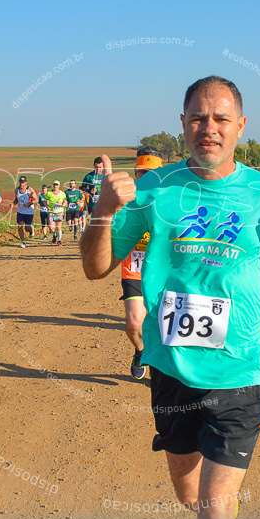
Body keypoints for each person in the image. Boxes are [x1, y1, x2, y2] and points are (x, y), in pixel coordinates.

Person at [80, 76, 260, 519]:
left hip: (241, 369)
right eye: (199, 118)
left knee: (216, 512)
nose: (209, 128)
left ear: (240, 126)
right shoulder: (154, 188)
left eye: (221, 118)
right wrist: (103, 208)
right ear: (182, 124)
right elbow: (96, 267)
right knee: (190, 495)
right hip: (172, 367)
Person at [119, 147, 164, 379]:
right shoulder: (125, 200)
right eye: (141, 172)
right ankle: (140, 350)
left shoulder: (172, 199)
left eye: (152, 173)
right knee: (134, 324)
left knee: (168, 329)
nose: (146, 177)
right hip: (134, 271)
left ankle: (165, 373)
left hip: (165, 273)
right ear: (136, 174)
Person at [12, 175, 36, 248]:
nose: (21, 184)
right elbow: (16, 199)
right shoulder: (17, 190)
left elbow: (36, 200)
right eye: (20, 182)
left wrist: (29, 203)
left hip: (29, 212)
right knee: (20, 226)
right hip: (20, 211)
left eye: (23, 182)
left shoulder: (30, 190)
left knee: (27, 228)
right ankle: (23, 241)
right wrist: (13, 203)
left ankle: (31, 230)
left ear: (26, 182)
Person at [82, 157, 104, 226]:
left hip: (104, 204)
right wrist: (89, 191)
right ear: (93, 166)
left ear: (103, 167)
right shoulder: (89, 176)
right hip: (93, 204)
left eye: (100, 167)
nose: (98, 169)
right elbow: (82, 187)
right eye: (96, 167)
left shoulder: (106, 175)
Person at [45, 180, 67, 245]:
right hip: (52, 212)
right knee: (51, 227)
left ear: (59, 186)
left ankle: (59, 240)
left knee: (58, 227)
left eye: (57, 185)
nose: (55, 186)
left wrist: (62, 204)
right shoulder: (49, 193)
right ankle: (54, 235)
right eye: (54, 184)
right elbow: (44, 201)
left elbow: (65, 203)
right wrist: (47, 206)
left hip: (60, 212)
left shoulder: (62, 194)